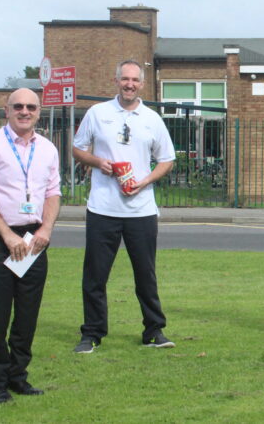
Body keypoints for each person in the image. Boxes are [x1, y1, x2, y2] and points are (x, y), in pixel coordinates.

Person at [72, 60, 176, 353]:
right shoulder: (97, 113)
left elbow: (167, 160)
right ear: (115, 81)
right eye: (124, 79)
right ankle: (91, 333)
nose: (129, 84)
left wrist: (145, 181)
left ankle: (154, 330)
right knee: (94, 276)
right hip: (103, 208)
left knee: (146, 275)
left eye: (135, 80)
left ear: (142, 84)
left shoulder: (152, 118)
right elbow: (77, 148)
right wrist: (98, 162)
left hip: (141, 210)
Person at [0, 88, 61, 403]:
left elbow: (53, 192)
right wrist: (7, 235)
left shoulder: (47, 148)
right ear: (6, 110)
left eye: (31, 107)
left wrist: (46, 228)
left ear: (38, 111)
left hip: (34, 238)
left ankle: (18, 376)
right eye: (18, 106)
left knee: (27, 311)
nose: (25, 111)